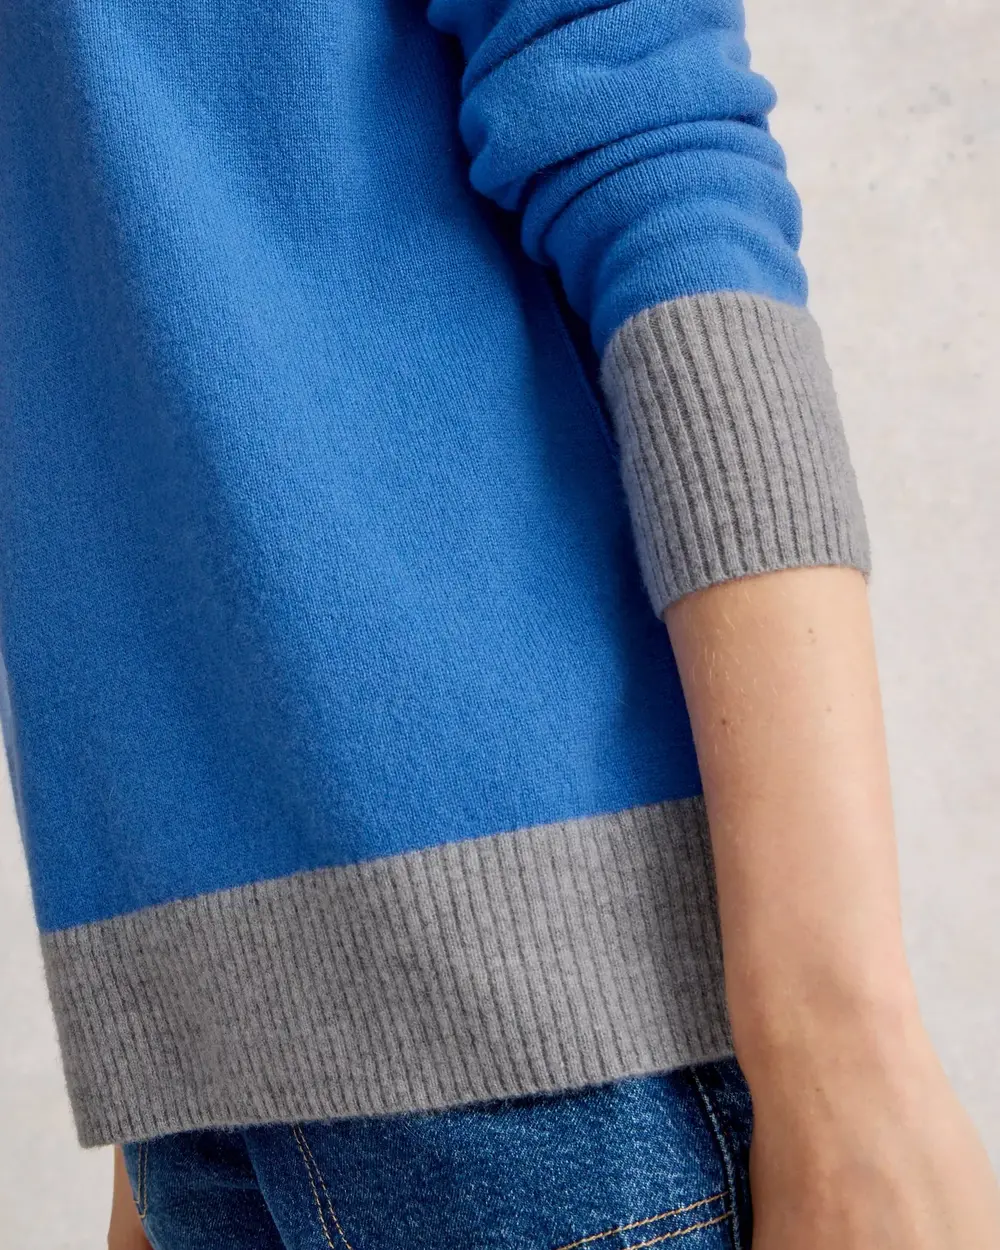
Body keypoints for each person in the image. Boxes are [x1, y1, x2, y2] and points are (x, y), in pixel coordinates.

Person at [1, 0, 998, 1247]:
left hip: (549, 1035)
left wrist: (845, 1047)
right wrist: (179, 1046)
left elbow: (648, 133)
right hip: (206, 1081)